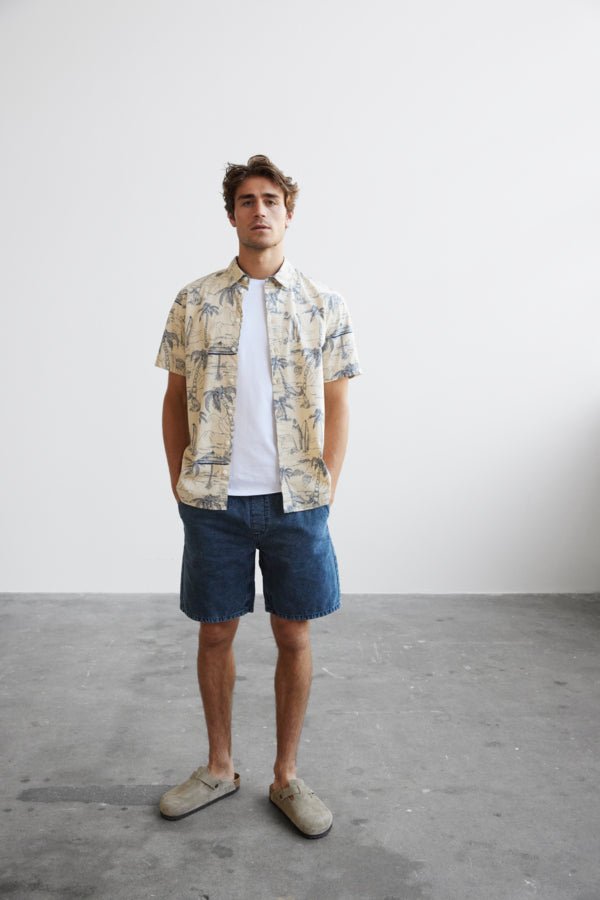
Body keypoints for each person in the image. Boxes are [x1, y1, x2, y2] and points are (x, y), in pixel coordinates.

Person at [154, 154, 362, 838]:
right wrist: (182, 482)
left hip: (296, 502)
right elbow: (174, 400)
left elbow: (338, 403)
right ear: (232, 215)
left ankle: (286, 775)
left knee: (293, 634)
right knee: (215, 631)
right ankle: (219, 766)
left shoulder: (324, 304)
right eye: (247, 200)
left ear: (288, 212)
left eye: (271, 199)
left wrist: (324, 487)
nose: (260, 210)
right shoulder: (194, 300)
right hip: (214, 502)